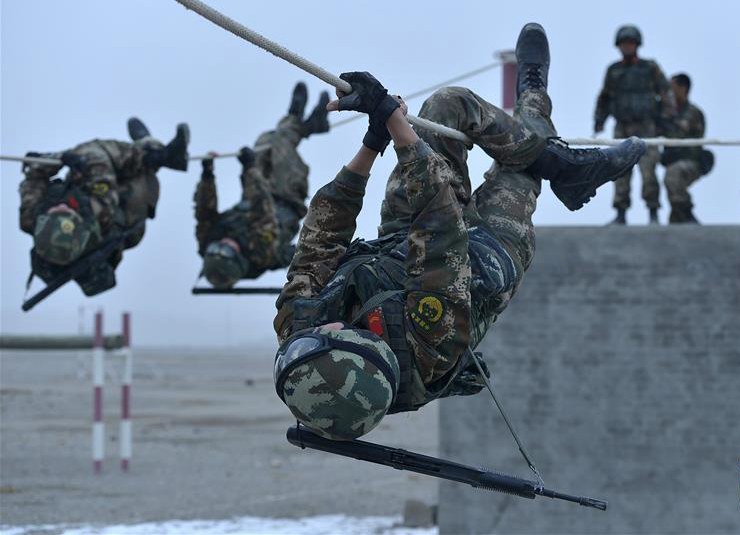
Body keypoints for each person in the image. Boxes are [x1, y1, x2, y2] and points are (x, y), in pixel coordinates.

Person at [272, 23, 646, 441]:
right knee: (517, 167)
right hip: (485, 259)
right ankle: (538, 107)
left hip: (401, 241)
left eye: (307, 343)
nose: (321, 330)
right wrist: (396, 124)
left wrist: (374, 139)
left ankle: (563, 167)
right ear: (360, 347)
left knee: (447, 105)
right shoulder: (427, 343)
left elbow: (323, 233)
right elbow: (441, 225)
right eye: (328, 339)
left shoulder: (301, 326)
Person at [19, 118, 189, 297]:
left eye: (57, 210)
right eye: (68, 212)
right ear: (82, 225)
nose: (62, 205)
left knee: (85, 169)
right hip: (130, 217)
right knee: (98, 157)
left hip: (90, 200)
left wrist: (52, 160)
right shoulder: (99, 215)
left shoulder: (30, 217)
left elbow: (32, 174)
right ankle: (154, 152)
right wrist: (67, 156)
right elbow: (98, 165)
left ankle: (147, 144)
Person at [193, 83, 330, 288]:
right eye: (226, 252)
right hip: (287, 194)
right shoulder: (260, 252)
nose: (222, 245)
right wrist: (249, 170)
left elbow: (204, 211)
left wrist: (207, 176)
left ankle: (309, 123)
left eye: (215, 249)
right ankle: (298, 118)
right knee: (281, 142)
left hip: (256, 189)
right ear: (238, 260)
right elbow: (261, 206)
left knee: (263, 142)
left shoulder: (207, 240)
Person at [594, 24, 675, 225]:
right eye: (624, 43)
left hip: (647, 127)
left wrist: (667, 118)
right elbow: (604, 98)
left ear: (637, 45)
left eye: (630, 43)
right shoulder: (614, 71)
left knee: (649, 172)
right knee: (620, 171)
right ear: (619, 46)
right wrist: (599, 120)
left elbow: (665, 92)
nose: (627, 47)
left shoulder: (650, 68)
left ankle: (653, 212)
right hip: (622, 126)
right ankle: (621, 213)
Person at [661, 73, 712, 224]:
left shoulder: (694, 113)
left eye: (672, 87)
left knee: (673, 175)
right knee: (674, 185)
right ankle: (679, 223)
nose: (668, 91)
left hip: (691, 161)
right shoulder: (665, 112)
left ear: (684, 88)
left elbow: (692, 143)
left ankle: (688, 214)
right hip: (673, 162)